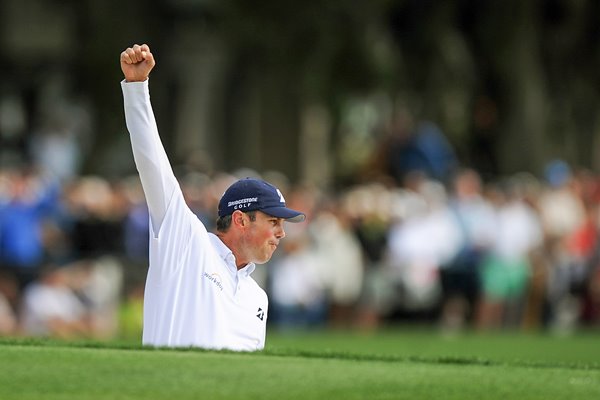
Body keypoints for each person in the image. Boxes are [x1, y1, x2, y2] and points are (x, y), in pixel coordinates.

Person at [119, 44, 305, 351]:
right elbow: (153, 165)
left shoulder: (258, 297)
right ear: (240, 219)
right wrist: (138, 88)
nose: (281, 233)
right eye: (273, 221)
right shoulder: (186, 243)